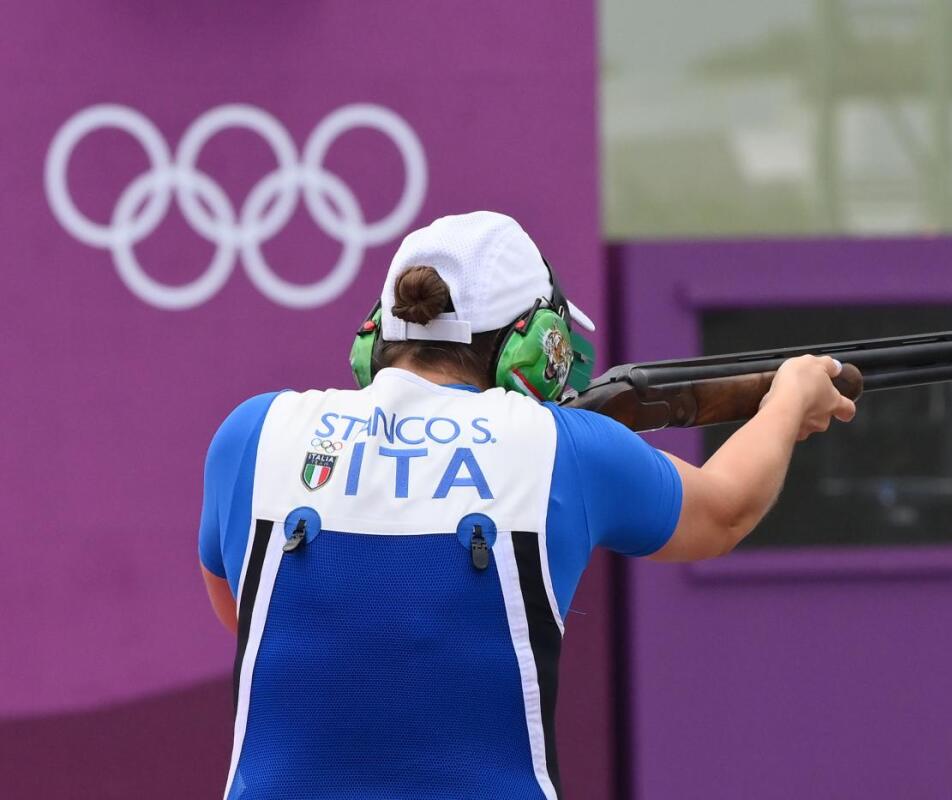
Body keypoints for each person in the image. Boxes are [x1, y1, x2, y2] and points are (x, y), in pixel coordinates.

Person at [198, 211, 855, 800]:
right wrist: (791, 396)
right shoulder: (558, 446)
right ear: (536, 344)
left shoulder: (256, 432)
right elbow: (727, 510)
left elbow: (246, 619)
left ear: (376, 337)